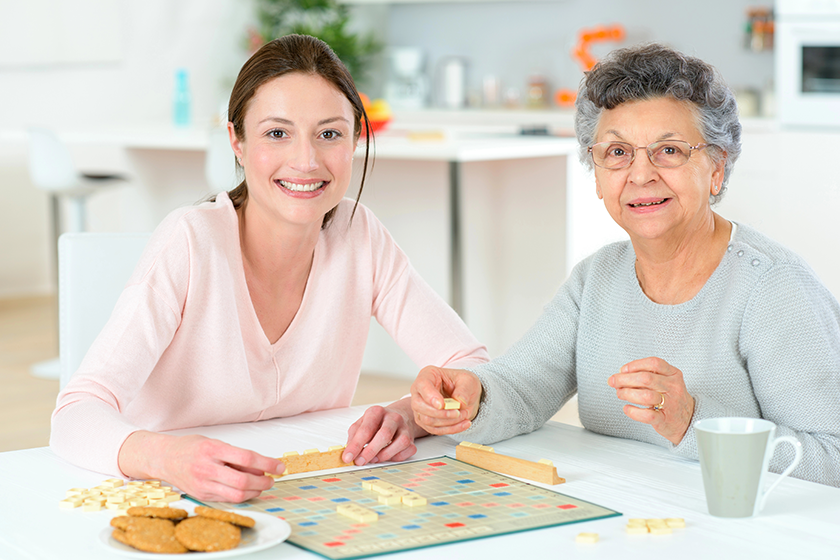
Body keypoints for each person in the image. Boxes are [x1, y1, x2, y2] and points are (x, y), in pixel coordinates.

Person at [50, 34, 488, 502]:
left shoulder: (360, 235)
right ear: (236, 141)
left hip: (310, 493)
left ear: (355, 140)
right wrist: (169, 458)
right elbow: (75, 414)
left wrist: (409, 415)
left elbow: (473, 367)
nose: (306, 160)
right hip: (172, 497)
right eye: (277, 133)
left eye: (329, 133)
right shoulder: (190, 241)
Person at [410, 43, 840, 487]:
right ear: (596, 175)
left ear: (716, 167)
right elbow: (522, 387)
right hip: (625, 518)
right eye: (617, 153)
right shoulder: (595, 278)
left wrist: (692, 422)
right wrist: (470, 396)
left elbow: (833, 457)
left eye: (669, 150)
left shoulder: (775, 287)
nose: (639, 174)